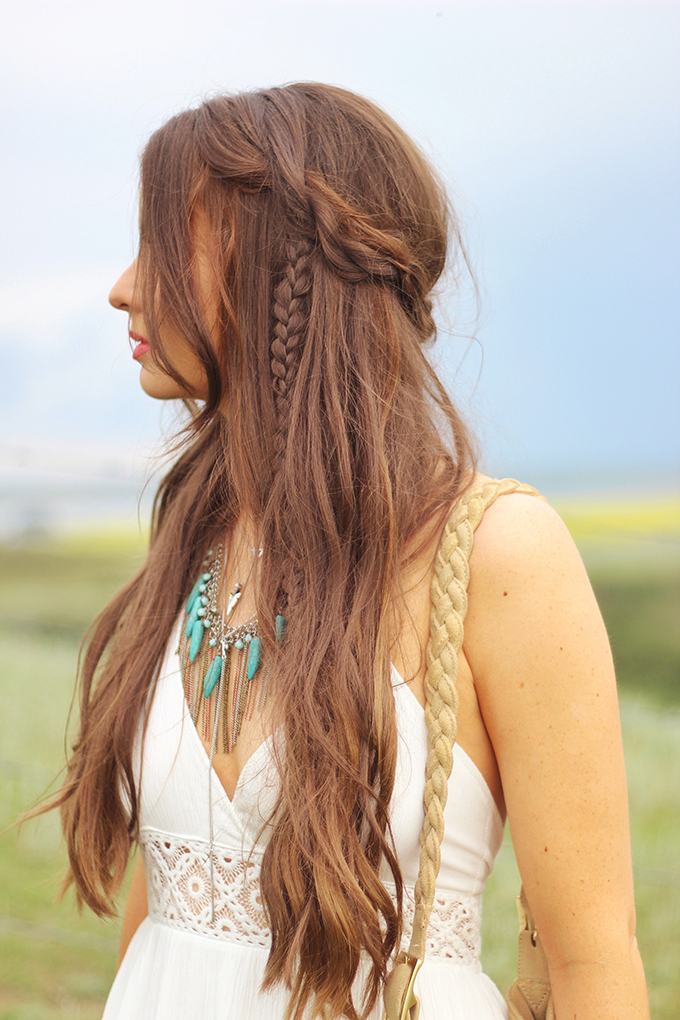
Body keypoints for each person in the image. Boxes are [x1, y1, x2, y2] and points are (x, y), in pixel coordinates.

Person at [51, 84, 648, 1019]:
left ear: (268, 257)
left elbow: (592, 965)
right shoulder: (196, 537)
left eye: (159, 239)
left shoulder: (498, 551)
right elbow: (165, 912)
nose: (124, 285)